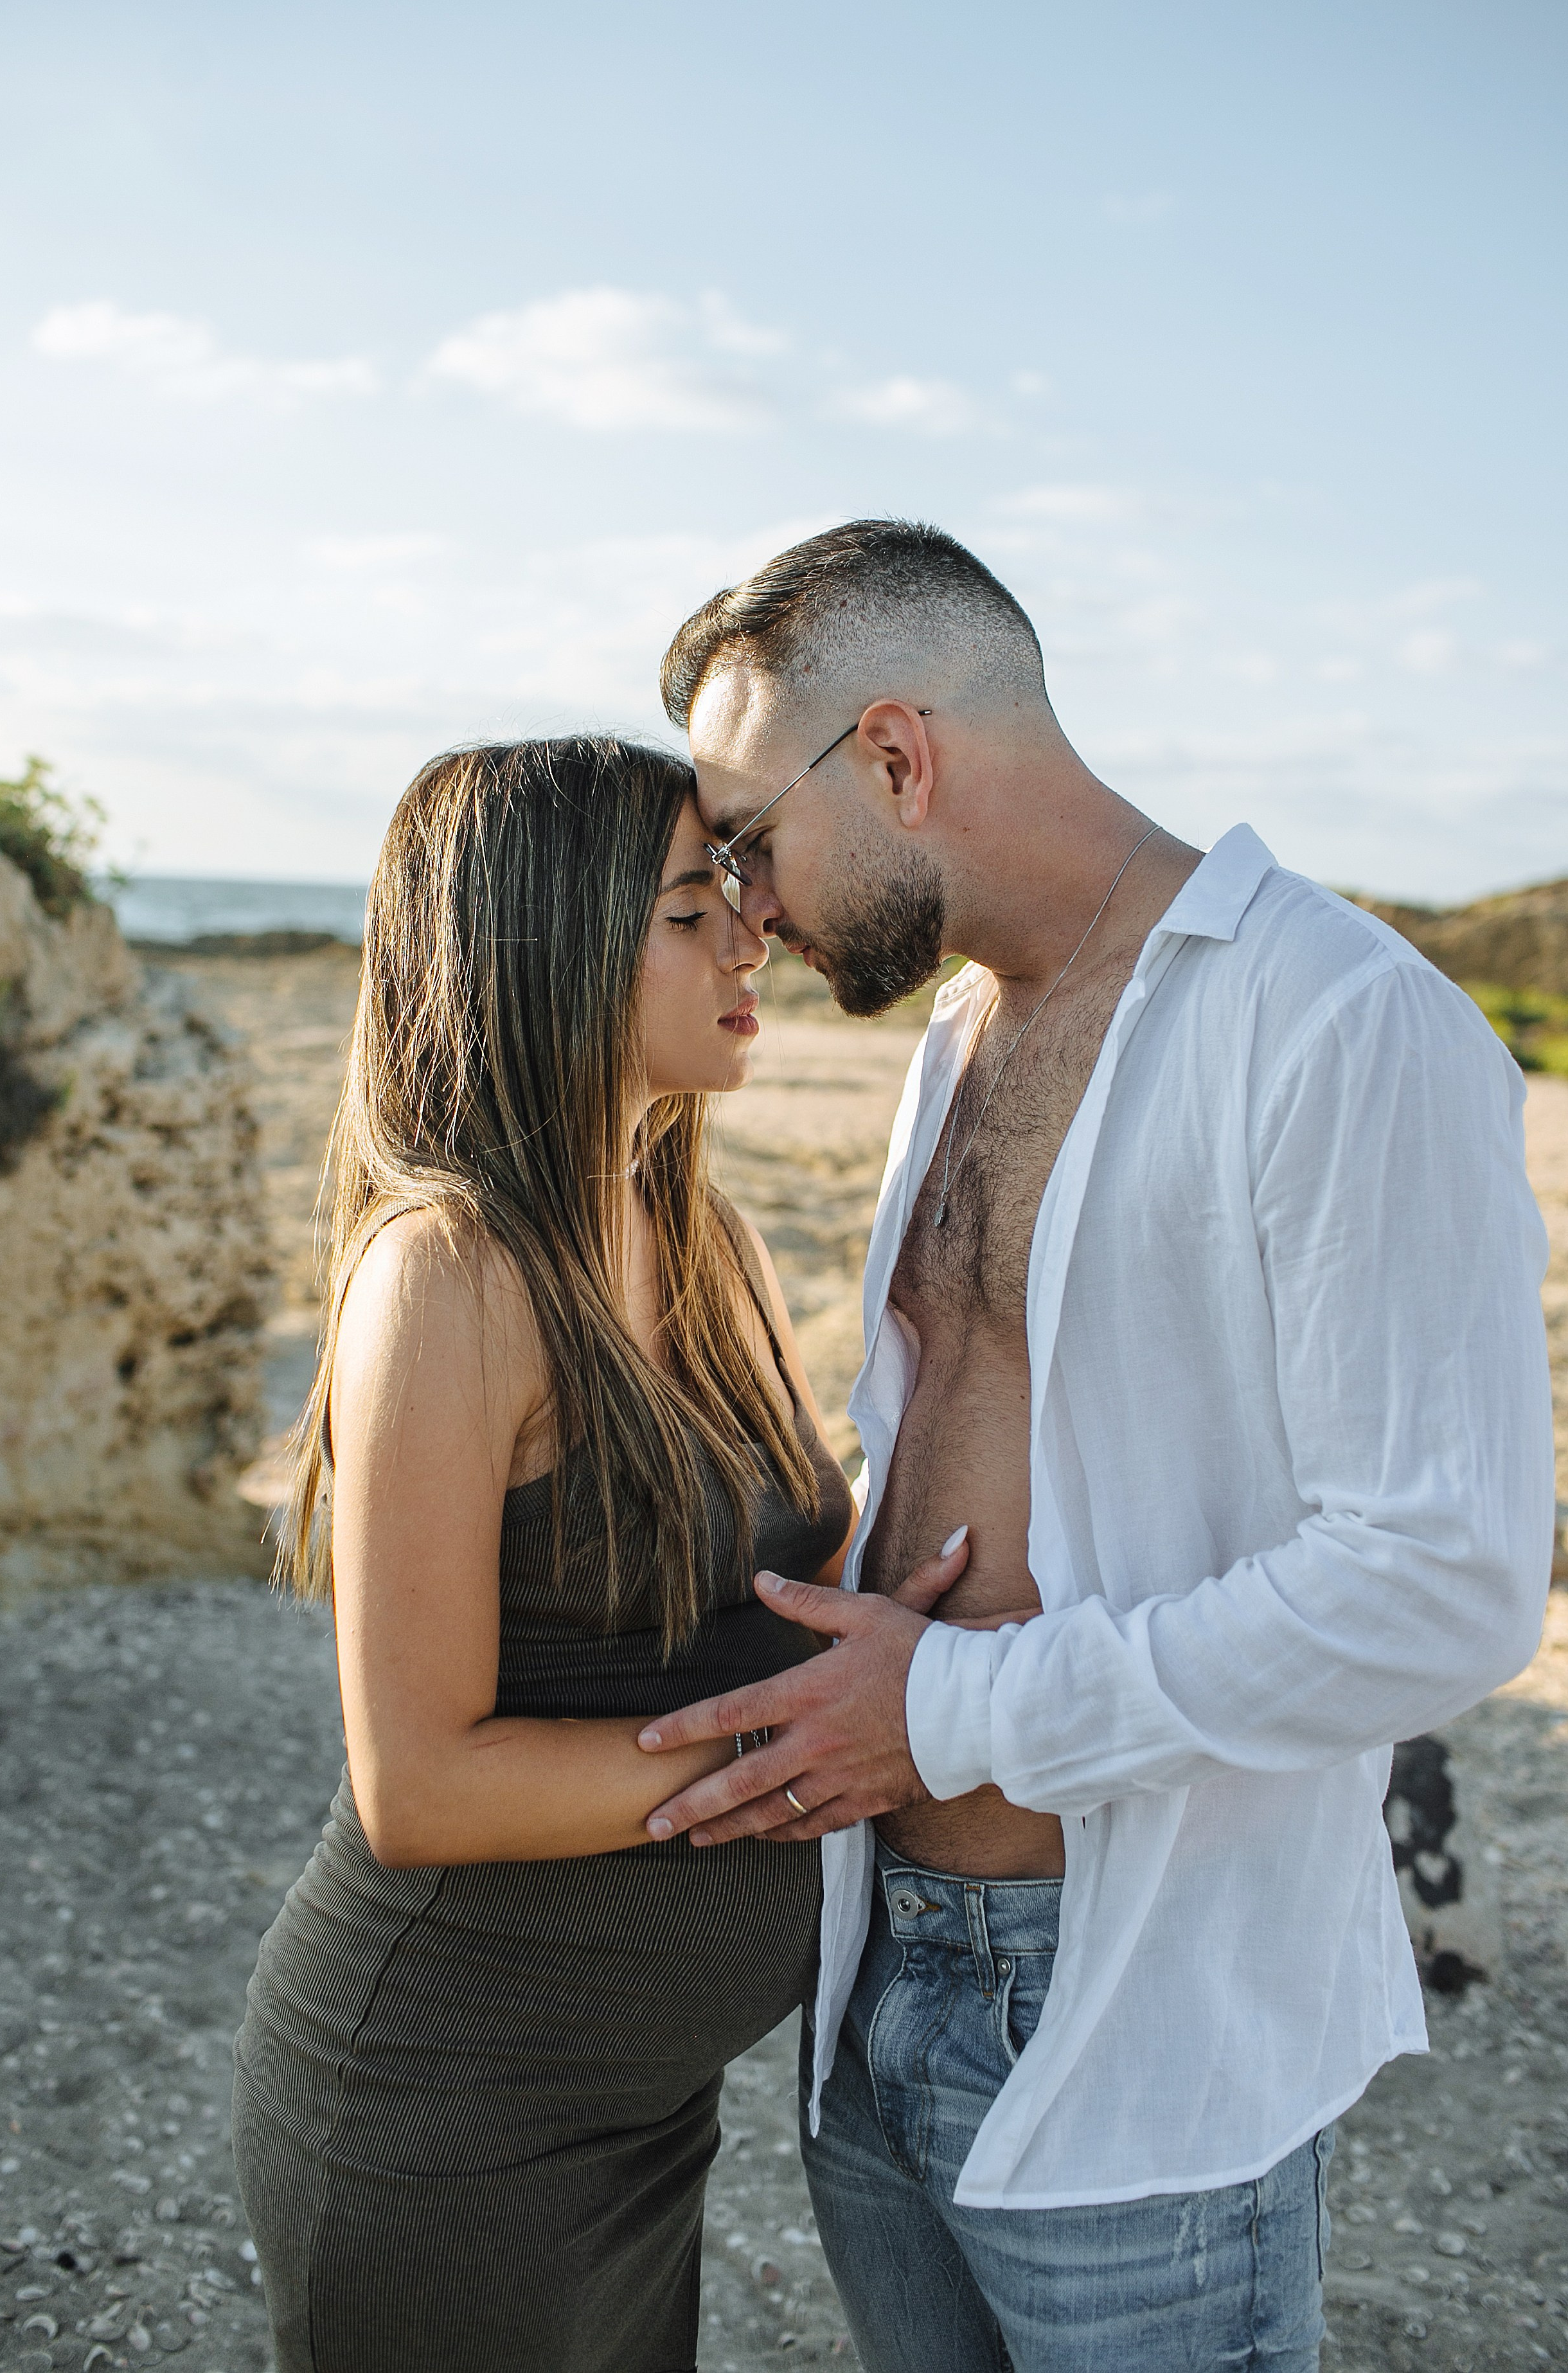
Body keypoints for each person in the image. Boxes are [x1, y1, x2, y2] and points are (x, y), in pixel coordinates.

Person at [636, 521, 1555, 2372]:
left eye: (747, 839)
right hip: (873, 1970)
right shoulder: (958, 1031)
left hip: (1131, 2005)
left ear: (896, 757)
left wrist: (949, 1712)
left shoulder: (1334, 1017)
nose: (745, 906)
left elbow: (1442, 1584)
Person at [230, 735, 961, 2373]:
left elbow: (787, 1566)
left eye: (737, 899)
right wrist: (800, 1751)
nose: (751, 937)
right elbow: (422, 1784)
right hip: (444, 2106)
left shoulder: (715, 1242)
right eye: (692, 910)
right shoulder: (450, 1274)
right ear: (547, 949)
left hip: (635, 2103)